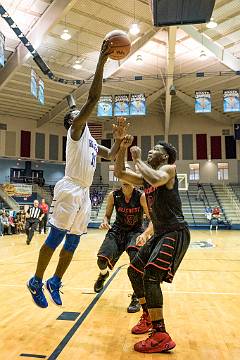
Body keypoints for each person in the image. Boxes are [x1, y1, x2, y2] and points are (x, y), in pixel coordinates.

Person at [27, 40, 128, 309]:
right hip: (70, 187)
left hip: (84, 192)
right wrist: (101, 61)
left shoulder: (91, 141)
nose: (81, 114)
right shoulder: (74, 132)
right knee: (57, 237)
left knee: (73, 241)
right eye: (77, 113)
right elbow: (93, 100)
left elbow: (110, 154)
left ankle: (54, 281)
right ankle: (36, 280)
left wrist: (120, 141)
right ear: (72, 120)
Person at [114, 136, 190, 354]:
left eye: (155, 149)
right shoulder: (146, 177)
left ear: (164, 156)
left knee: (151, 275)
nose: (150, 151)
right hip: (159, 233)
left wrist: (137, 159)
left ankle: (160, 334)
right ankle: (148, 316)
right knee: (134, 271)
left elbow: (156, 179)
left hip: (175, 231)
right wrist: (122, 149)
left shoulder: (169, 170)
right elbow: (120, 173)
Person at [94, 181, 153, 313]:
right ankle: (103, 275)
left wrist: (145, 234)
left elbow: (152, 220)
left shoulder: (141, 196)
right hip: (117, 231)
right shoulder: (113, 195)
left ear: (133, 182)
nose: (125, 182)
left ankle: (137, 296)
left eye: (128, 180)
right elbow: (107, 216)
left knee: (135, 263)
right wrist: (104, 222)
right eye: (123, 179)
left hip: (135, 231)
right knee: (101, 260)